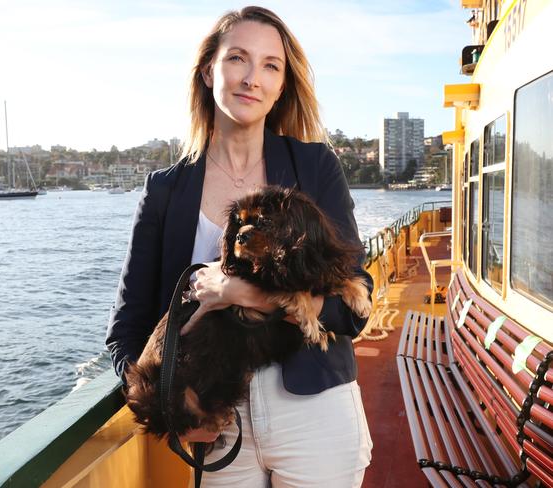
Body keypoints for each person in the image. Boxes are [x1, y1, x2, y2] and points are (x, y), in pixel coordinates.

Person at [106, 6, 373, 487]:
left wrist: (243, 295)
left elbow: (353, 308)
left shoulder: (314, 167)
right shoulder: (164, 190)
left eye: (271, 65)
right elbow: (126, 329)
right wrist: (172, 405)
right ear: (209, 70)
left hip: (315, 409)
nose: (252, 78)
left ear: (282, 84)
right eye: (238, 59)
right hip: (219, 422)